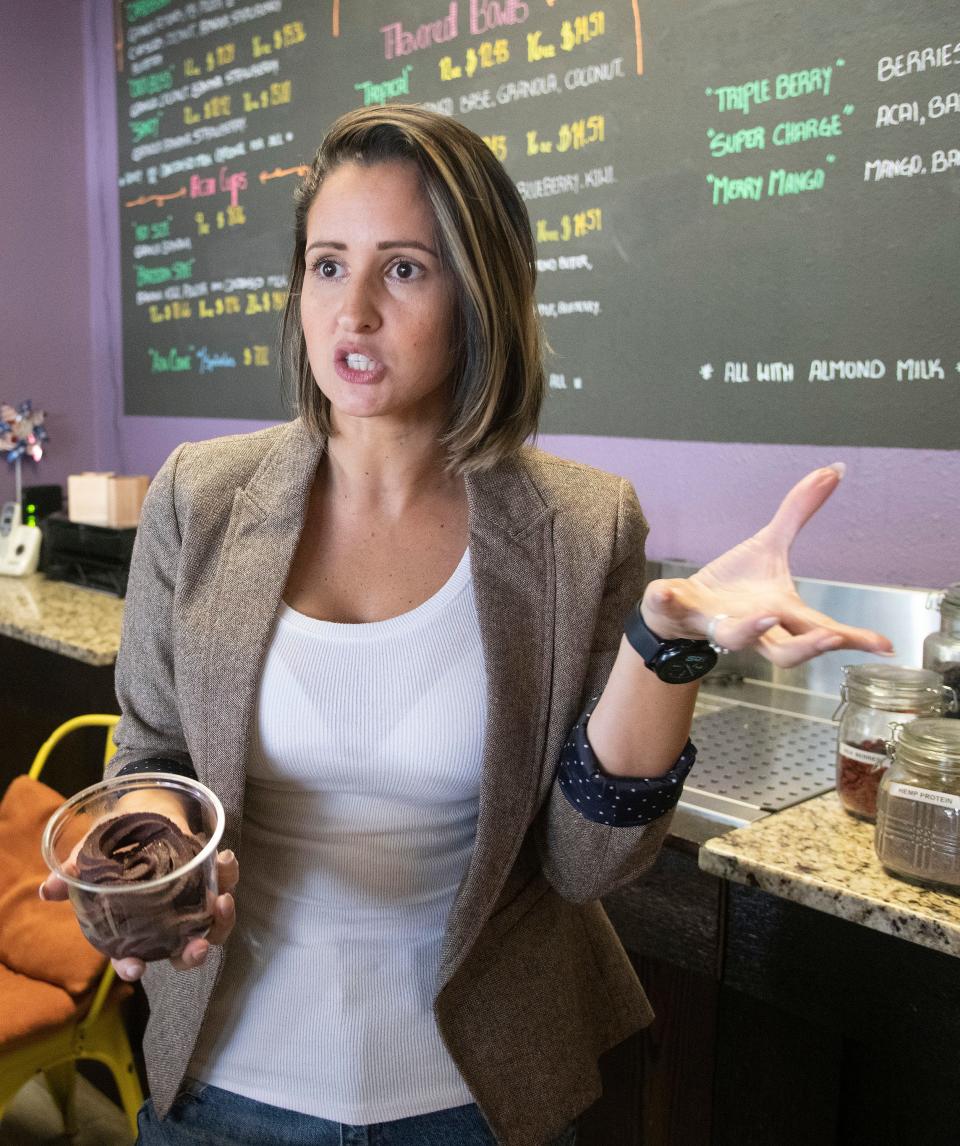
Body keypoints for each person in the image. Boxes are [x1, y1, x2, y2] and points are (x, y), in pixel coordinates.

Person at [41, 105, 891, 1146]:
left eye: (402, 269)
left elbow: (588, 868)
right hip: (224, 1079)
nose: (351, 311)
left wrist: (668, 643)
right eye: (325, 265)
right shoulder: (200, 496)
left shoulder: (582, 526)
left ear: (476, 293)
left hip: (470, 1098)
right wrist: (156, 861)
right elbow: (154, 753)